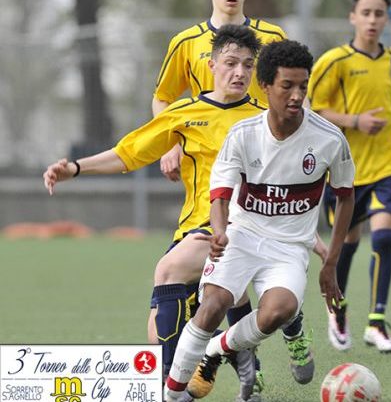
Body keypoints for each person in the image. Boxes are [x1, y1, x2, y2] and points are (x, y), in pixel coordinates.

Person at [43, 25, 267, 401]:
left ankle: (170, 385)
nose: (240, 72)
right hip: (192, 228)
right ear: (211, 65)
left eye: (247, 65)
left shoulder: (263, 119)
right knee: (157, 331)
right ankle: (234, 352)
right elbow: (129, 152)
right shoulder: (186, 113)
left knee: (168, 270)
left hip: (236, 227)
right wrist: (76, 168)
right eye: (231, 63)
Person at [162, 39, 355, 402]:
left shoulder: (330, 139)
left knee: (277, 312)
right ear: (265, 85)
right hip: (242, 236)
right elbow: (220, 194)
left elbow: (346, 197)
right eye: (287, 86)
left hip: (290, 247)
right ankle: (171, 396)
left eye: (303, 86)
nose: (297, 95)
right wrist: (219, 232)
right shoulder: (243, 134)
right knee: (212, 306)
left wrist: (331, 263)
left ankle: (217, 348)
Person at [148, 0, 316, 395]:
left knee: (227, 276)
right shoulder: (186, 42)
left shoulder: (272, 36)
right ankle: (247, 359)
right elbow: (163, 99)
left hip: (261, 191)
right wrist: (171, 143)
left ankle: (253, 355)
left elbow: (294, 98)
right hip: (204, 192)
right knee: (159, 327)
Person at [307, 0, 391, 353]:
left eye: (379, 13)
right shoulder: (335, 62)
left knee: (384, 235)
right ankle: (338, 307)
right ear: (353, 17)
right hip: (345, 169)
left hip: (388, 164)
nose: (372, 20)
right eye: (366, 13)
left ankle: (377, 321)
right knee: (346, 243)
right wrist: (355, 121)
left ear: (387, 18)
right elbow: (313, 110)